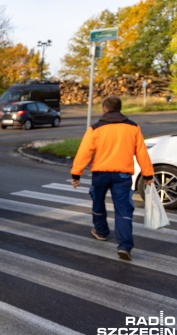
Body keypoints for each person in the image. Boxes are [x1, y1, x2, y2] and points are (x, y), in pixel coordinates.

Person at [71, 96, 153, 261]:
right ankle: (124, 246)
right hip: (122, 176)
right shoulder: (133, 127)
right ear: (120, 108)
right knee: (123, 210)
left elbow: (84, 152)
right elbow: (142, 152)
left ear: (104, 109)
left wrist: (76, 174)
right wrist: (148, 175)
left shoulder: (95, 128)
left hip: (100, 175)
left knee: (98, 203)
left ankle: (101, 232)